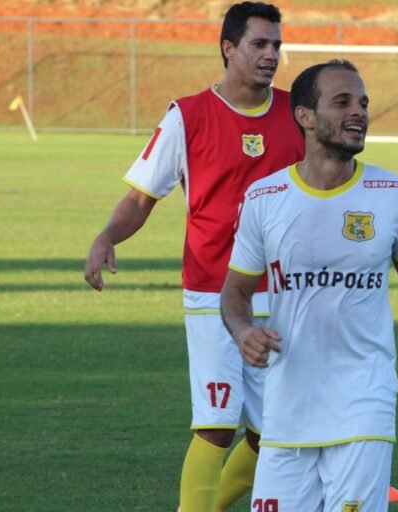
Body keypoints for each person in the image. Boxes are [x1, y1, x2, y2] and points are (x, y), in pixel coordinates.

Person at [220, 60, 398, 511]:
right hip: (285, 410)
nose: (359, 112)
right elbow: (234, 293)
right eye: (342, 102)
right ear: (305, 116)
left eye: (363, 103)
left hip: (363, 401)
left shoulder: (393, 194)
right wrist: (243, 332)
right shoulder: (264, 199)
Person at [83, 3, 304, 511]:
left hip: (284, 294)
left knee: (277, 430)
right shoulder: (188, 115)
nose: (271, 54)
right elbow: (141, 197)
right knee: (217, 424)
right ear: (229, 48)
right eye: (259, 44)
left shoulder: (299, 113)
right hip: (212, 291)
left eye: (276, 44)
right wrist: (106, 237)